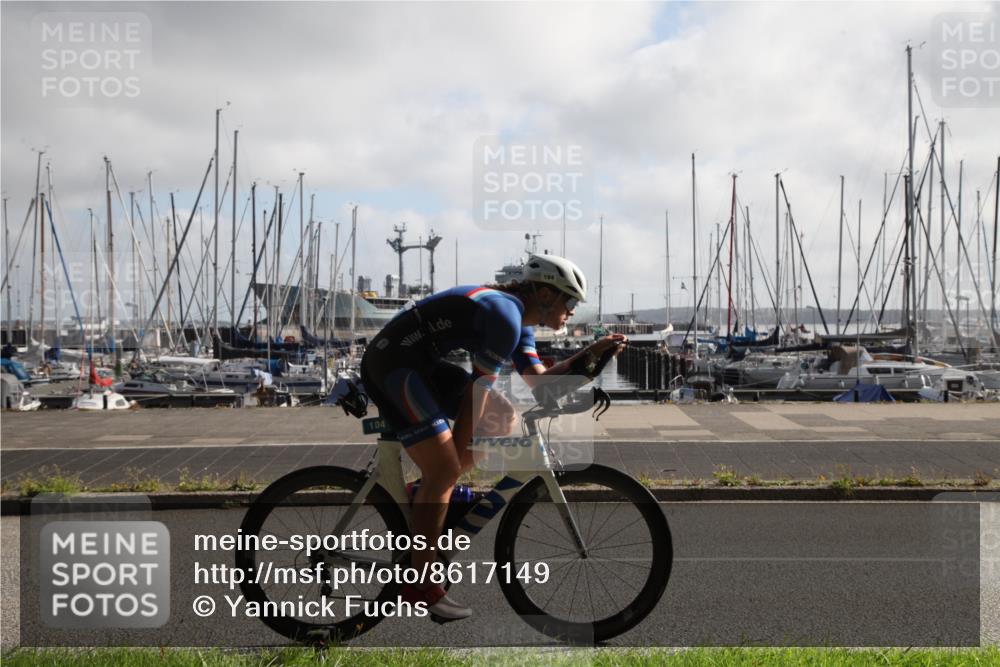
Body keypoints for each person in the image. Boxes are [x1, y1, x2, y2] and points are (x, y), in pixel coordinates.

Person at [360, 254, 627, 621]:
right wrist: (450, 471)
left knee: (501, 419)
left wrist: (592, 357)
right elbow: (476, 396)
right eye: (570, 301)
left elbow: (541, 387)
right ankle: (420, 586)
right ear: (546, 294)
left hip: (422, 365)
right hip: (393, 365)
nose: (571, 311)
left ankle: (426, 493)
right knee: (445, 471)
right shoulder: (504, 316)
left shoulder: (520, 324)